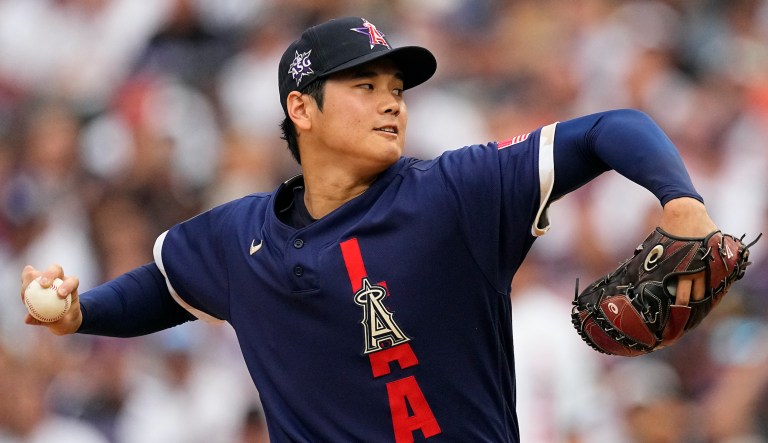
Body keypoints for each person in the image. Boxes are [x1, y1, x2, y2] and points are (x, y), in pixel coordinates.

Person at [21, 16, 720, 442]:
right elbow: (165, 285)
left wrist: (679, 201)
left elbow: (611, 128)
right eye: (365, 87)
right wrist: (82, 312)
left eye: (395, 88)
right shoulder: (239, 238)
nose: (392, 103)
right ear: (302, 107)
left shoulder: (456, 194)